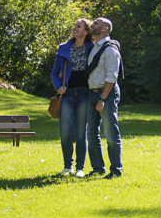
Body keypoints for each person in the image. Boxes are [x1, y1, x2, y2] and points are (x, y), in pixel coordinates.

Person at [51, 18, 94, 178]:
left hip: (85, 94)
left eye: (79, 26)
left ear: (86, 31)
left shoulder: (92, 48)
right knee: (66, 133)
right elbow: (55, 73)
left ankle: (80, 168)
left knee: (81, 133)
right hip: (67, 95)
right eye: (75, 26)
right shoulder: (64, 48)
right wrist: (58, 87)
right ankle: (67, 167)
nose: (75, 28)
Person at [86, 17, 123, 179]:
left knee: (110, 133)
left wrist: (102, 99)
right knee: (91, 133)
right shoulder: (95, 47)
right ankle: (98, 168)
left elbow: (111, 77)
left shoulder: (110, 50)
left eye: (95, 23)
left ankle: (116, 170)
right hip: (92, 94)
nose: (91, 25)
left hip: (105, 95)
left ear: (104, 29)